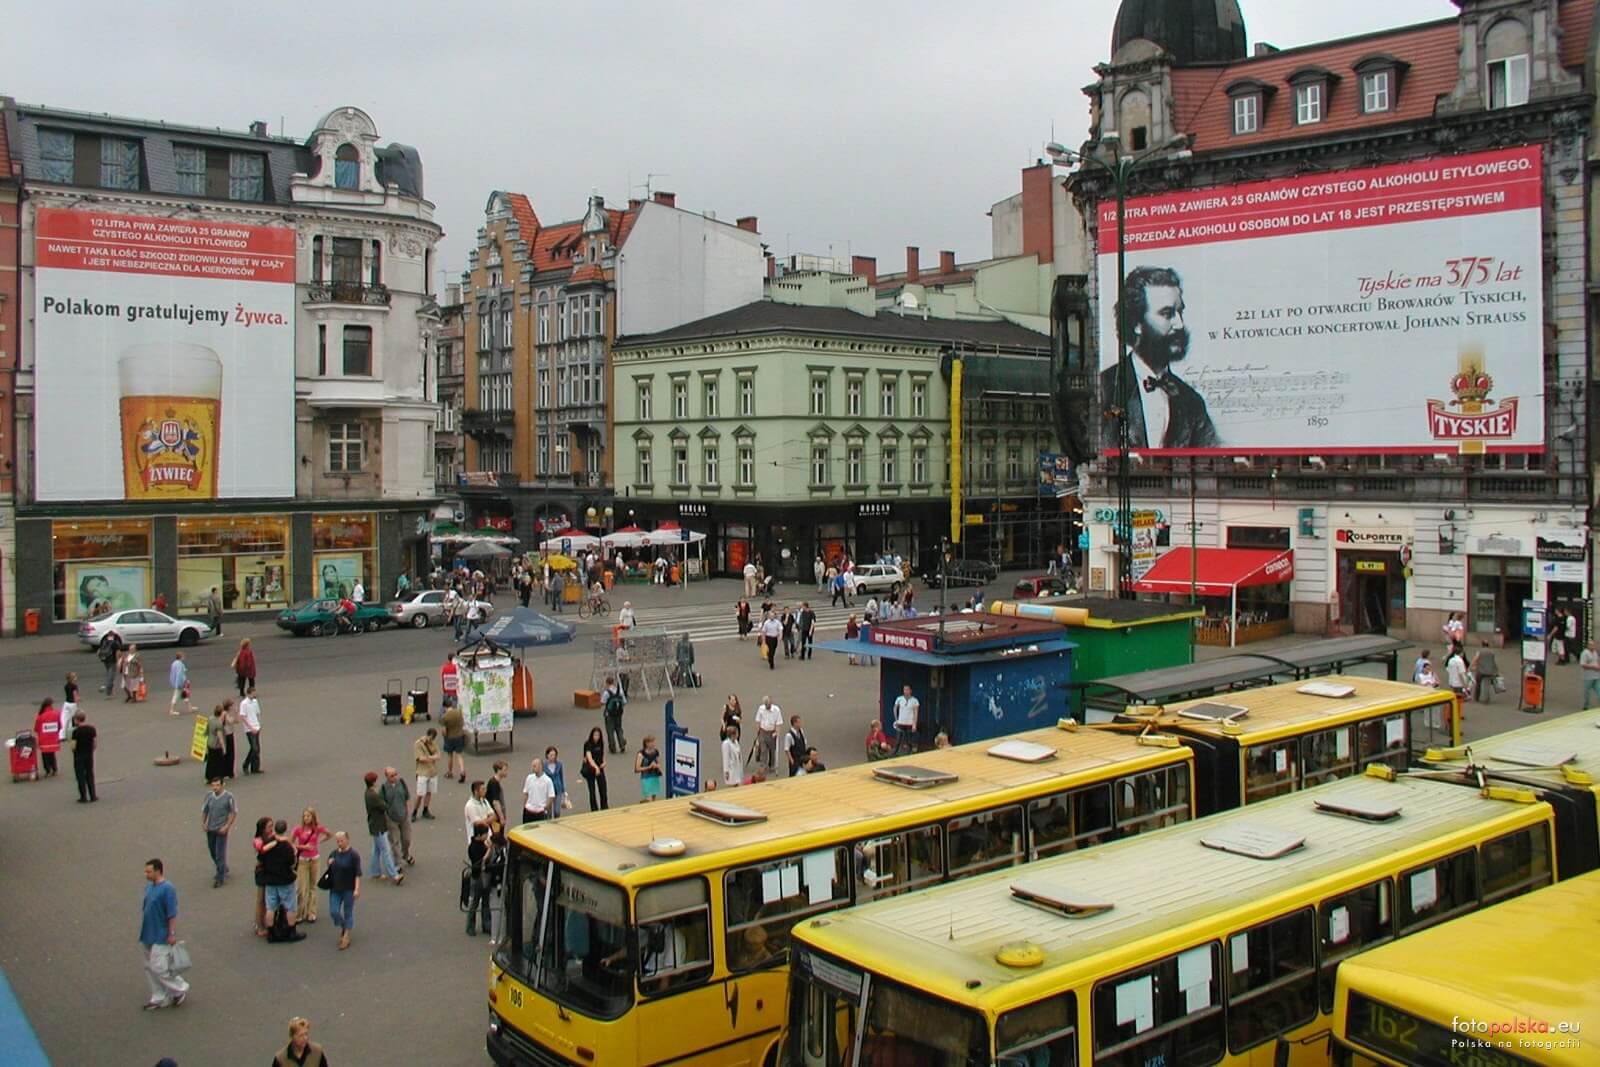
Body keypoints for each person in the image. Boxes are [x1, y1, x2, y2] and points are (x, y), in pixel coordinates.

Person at [1099, 265, 1218, 449]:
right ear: (1136, 323)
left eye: (1180, 312)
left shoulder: (1191, 402)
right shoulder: (1105, 388)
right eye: (1167, 314)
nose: (1179, 324)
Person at [138, 858, 188, 1010]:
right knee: (149, 966)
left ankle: (179, 990)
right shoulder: (149, 887)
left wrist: (171, 933)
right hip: (147, 933)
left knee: (159, 967)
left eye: (149, 871)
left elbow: (172, 913)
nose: (145, 874)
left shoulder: (168, 889)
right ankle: (159, 995)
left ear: (158, 871)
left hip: (161, 934)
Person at [259, 819, 305, 941]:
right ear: (285, 829)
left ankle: (271, 933)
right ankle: (291, 932)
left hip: (270, 879)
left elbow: (261, 857)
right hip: (285, 879)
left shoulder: (269, 843)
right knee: (290, 906)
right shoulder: (286, 846)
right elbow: (292, 861)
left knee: (270, 907)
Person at [362, 771, 403, 886]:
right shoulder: (373, 795)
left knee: (377, 849)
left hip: (374, 824)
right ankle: (394, 875)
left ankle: (375, 871)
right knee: (386, 850)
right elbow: (384, 806)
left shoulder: (368, 793)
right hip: (378, 825)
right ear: (373, 782)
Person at [291, 808, 331, 925]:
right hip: (303, 860)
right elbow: (291, 842)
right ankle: (299, 912)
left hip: (315, 859)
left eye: (308, 816)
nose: (306, 818)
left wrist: (319, 842)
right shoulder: (298, 829)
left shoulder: (317, 828)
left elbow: (329, 834)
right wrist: (303, 847)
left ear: (313, 817)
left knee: (313, 886)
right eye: (304, 816)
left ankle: (311, 912)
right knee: (301, 889)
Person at [325, 831, 362, 951]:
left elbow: (357, 874)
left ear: (347, 840)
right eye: (337, 841)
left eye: (341, 841)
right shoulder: (334, 854)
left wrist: (356, 889)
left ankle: (346, 937)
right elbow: (330, 868)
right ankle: (344, 926)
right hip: (335, 888)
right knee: (334, 911)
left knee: (348, 912)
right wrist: (329, 863)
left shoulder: (353, 855)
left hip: (348, 888)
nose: (339, 843)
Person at [201, 778, 237, 888]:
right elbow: (205, 810)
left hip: (221, 830)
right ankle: (223, 868)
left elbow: (233, 812)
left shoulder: (229, 797)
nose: (215, 788)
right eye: (213, 785)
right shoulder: (209, 796)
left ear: (222, 785)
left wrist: (227, 826)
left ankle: (220, 877)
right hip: (211, 829)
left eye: (217, 785)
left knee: (220, 853)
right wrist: (204, 823)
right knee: (213, 852)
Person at [380, 767, 415, 866]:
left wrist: (408, 809)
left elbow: (407, 797)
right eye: (392, 776)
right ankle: (397, 863)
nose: (395, 777)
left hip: (404, 816)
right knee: (395, 842)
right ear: (386, 777)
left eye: (396, 774)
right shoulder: (383, 788)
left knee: (407, 839)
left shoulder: (402, 783)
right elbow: (381, 803)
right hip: (391, 819)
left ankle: (406, 854)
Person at [412, 729, 440, 821]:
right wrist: (432, 758)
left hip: (432, 772)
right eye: (431, 738)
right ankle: (414, 812)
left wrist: (429, 758)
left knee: (429, 792)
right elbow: (420, 758)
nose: (431, 740)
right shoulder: (418, 744)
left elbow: (438, 755)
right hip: (422, 772)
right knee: (420, 794)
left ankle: (425, 810)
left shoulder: (433, 744)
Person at [438, 698, 467, 783]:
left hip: (450, 737)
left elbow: (444, 730)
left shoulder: (445, 716)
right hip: (459, 736)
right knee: (459, 755)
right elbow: (462, 723)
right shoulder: (458, 712)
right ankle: (462, 771)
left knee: (450, 755)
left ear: (445, 707)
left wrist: (444, 735)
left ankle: (450, 772)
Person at [70, 710, 96, 802]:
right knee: (89, 773)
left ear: (77, 720)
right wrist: (91, 750)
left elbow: (73, 746)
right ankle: (93, 795)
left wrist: (74, 750)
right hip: (89, 754)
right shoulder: (92, 729)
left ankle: (83, 796)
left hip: (79, 756)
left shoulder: (76, 732)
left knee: (80, 776)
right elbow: (94, 743)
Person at [581, 728, 609, 811]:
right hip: (591, 768)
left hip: (600, 767)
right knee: (592, 789)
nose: (596, 737)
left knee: (603, 788)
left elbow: (602, 754)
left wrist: (604, 762)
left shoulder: (601, 743)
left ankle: (604, 806)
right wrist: (596, 768)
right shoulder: (588, 744)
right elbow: (589, 758)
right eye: (595, 735)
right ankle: (594, 808)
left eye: (598, 735)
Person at [751, 696, 781, 773]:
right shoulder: (761, 709)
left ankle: (771, 765)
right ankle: (763, 766)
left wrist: (777, 732)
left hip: (772, 732)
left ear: (771, 703)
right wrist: (758, 733)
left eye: (768, 704)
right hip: (763, 731)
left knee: (772, 750)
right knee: (763, 750)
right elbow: (758, 720)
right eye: (765, 704)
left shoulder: (776, 710)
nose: (767, 706)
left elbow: (778, 722)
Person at [33, 698, 61, 778]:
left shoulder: (40, 716)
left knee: (45, 755)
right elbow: (59, 726)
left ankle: (48, 770)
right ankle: (54, 769)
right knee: (52, 754)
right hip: (53, 738)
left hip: (44, 739)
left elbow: (36, 728)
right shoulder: (57, 714)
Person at [522, 757, 555, 821]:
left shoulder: (547, 780)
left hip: (540, 812)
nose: (532, 768)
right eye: (532, 766)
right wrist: (525, 806)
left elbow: (551, 796)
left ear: (540, 766)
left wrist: (544, 808)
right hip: (529, 810)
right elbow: (526, 793)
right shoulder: (529, 778)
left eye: (534, 766)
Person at [240, 685, 263, 774]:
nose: (254, 695)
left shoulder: (255, 701)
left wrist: (259, 725)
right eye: (253, 693)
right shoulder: (244, 703)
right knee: (254, 748)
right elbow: (243, 716)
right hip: (249, 729)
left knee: (257, 748)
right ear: (249, 693)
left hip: (256, 726)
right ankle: (246, 764)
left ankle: (255, 768)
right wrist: (250, 727)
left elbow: (257, 713)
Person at [892, 684, 920, 755]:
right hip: (901, 723)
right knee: (898, 740)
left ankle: (909, 754)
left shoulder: (915, 700)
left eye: (907, 690)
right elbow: (895, 708)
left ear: (910, 691)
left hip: (909, 723)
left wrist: (914, 724)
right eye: (904, 690)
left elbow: (916, 713)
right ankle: (893, 754)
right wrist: (896, 719)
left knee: (909, 741)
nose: (906, 691)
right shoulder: (899, 699)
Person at [602, 675, 627, 754]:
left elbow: (602, 702)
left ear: (607, 683)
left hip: (609, 714)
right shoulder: (619, 691)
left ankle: (612, 747)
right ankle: (622, 744)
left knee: (610, 730)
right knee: (619, 728)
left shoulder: (607, 692)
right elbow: (624, 702)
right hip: (619, 713)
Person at [203, 704, 228, 783]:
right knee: (219, 763)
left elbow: (207, 730)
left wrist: (205, 735)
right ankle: (219, 779)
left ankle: (209, 777)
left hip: (210, 743)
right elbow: (220, 737)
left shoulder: (210, 719)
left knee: (210, 761)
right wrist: (224, 748)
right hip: (216, 745)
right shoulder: (219, 723)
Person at [544, 746, 570, 819]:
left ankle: (556, 822)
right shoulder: (544, 766)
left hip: (557, 789)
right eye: (551, 755)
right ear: (547, 755)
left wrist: (563, 790)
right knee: (548, 811)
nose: (553, 757)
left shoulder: (559, 764)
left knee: (557, 811)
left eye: (554, 755)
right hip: (548, 790)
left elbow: (561, 776)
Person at [635, 736, 663, 802]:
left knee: (654, 796)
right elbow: (637, 769)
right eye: (652, 742)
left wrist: (656, 766)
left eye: (654, 742)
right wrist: (649, 767)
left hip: (654, 776)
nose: (654, 744)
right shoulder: (641, 754)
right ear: (647, 743)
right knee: (648, 796)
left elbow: (658, 763)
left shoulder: (655, 752)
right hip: (646, 777)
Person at [97, 630, 123, 698]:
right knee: (111, 676)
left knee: (108, 673)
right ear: (113, 636)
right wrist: (118, 661)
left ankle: (110, 691)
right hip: (112, 661)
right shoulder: (115, 643)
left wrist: (102, 657)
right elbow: (118, 653)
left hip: (105, 661)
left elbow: (98, 652)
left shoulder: (104, 642)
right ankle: (108, 692)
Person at [168, 652, 194, 717]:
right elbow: (180, 675)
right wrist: (181, 683)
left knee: (184, 694)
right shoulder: (180, 664)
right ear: (180, 657)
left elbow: (173, 674)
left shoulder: (174, 663)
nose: (184, 657)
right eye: (183, 656)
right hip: (180, 683)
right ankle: (171, 710)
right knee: (177, 695)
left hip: (177, 682)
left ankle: (189, 707)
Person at [485, 760, 511, 824]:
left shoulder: (495, 782)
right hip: (495, 817)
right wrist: (501, 817)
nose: (507, 772)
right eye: (505, 770)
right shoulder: (494, 784)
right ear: (499, 771)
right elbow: (495, 802)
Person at [221, 698, 239, 780]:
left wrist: (236, 714)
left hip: (230, 733)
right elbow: (231, 721)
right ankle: (227, 772)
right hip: (226, 735)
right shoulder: (225, 713)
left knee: (231, 753)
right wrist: (235, 713)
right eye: (232, 705)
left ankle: (229, 771)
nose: (233, 707)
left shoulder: (228, 713)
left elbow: (237, 721)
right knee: (229, 754)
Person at [1582, 641, 1600, 710]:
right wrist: (1593, 667)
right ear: (1588, 646)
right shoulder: (1584, 653)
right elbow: (1583, 665)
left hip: (1596, 676)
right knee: (1586, 692)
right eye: (1591, 645)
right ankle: (1586, 706)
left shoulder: (1595, 652)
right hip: (1588, 677)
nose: (1592, 646)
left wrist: (1598, 666)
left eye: (1593, 645)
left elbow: (1597, 660)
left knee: (1599, 690)